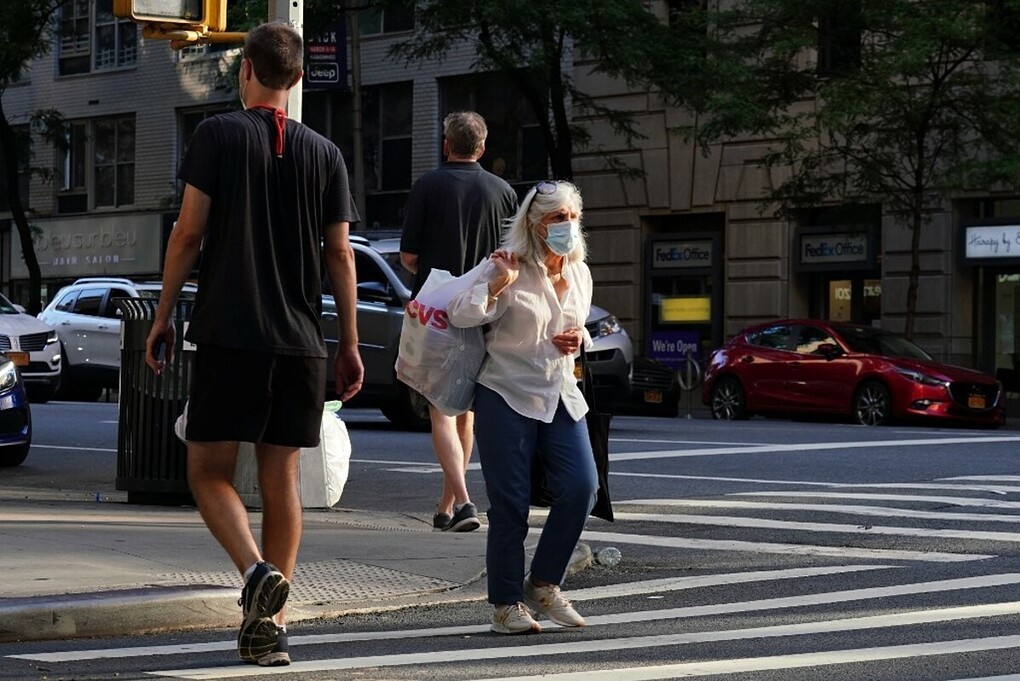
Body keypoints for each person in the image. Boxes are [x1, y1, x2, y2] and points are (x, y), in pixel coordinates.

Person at [143, 22, 363, 667]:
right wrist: (347, 341)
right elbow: (341, 254)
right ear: (296, 80)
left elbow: (187, 233)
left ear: (246, 70)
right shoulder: (326, 153)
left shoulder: (216, 135)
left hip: (229, 333)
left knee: (207, 472)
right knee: (282, 480)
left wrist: (162, 314)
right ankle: (271, 626)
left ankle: (253, 572)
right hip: (300, 343)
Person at [446, 180, 598, 634]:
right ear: (534, 223)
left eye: (572, 217)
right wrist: (494, 286)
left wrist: (580, 339)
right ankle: (506, 604)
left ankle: (543, 583)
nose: (566, 226)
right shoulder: (506, 264)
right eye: (557, 218)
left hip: (558, 392)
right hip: (505, 393)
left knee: (582, 488)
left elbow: (581, 325)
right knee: (510, 503)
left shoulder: (580, 271)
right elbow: (458, 313)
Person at [400, 111, 518, 532]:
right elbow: (511, 259)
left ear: (445, 144)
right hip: (486, 314)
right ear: (482, 148)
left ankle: (464, 502)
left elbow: (409, 258)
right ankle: (446, 506)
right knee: (465, 412)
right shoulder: (504, 192)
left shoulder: (427, 186)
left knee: (440, 411)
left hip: (435, 315)